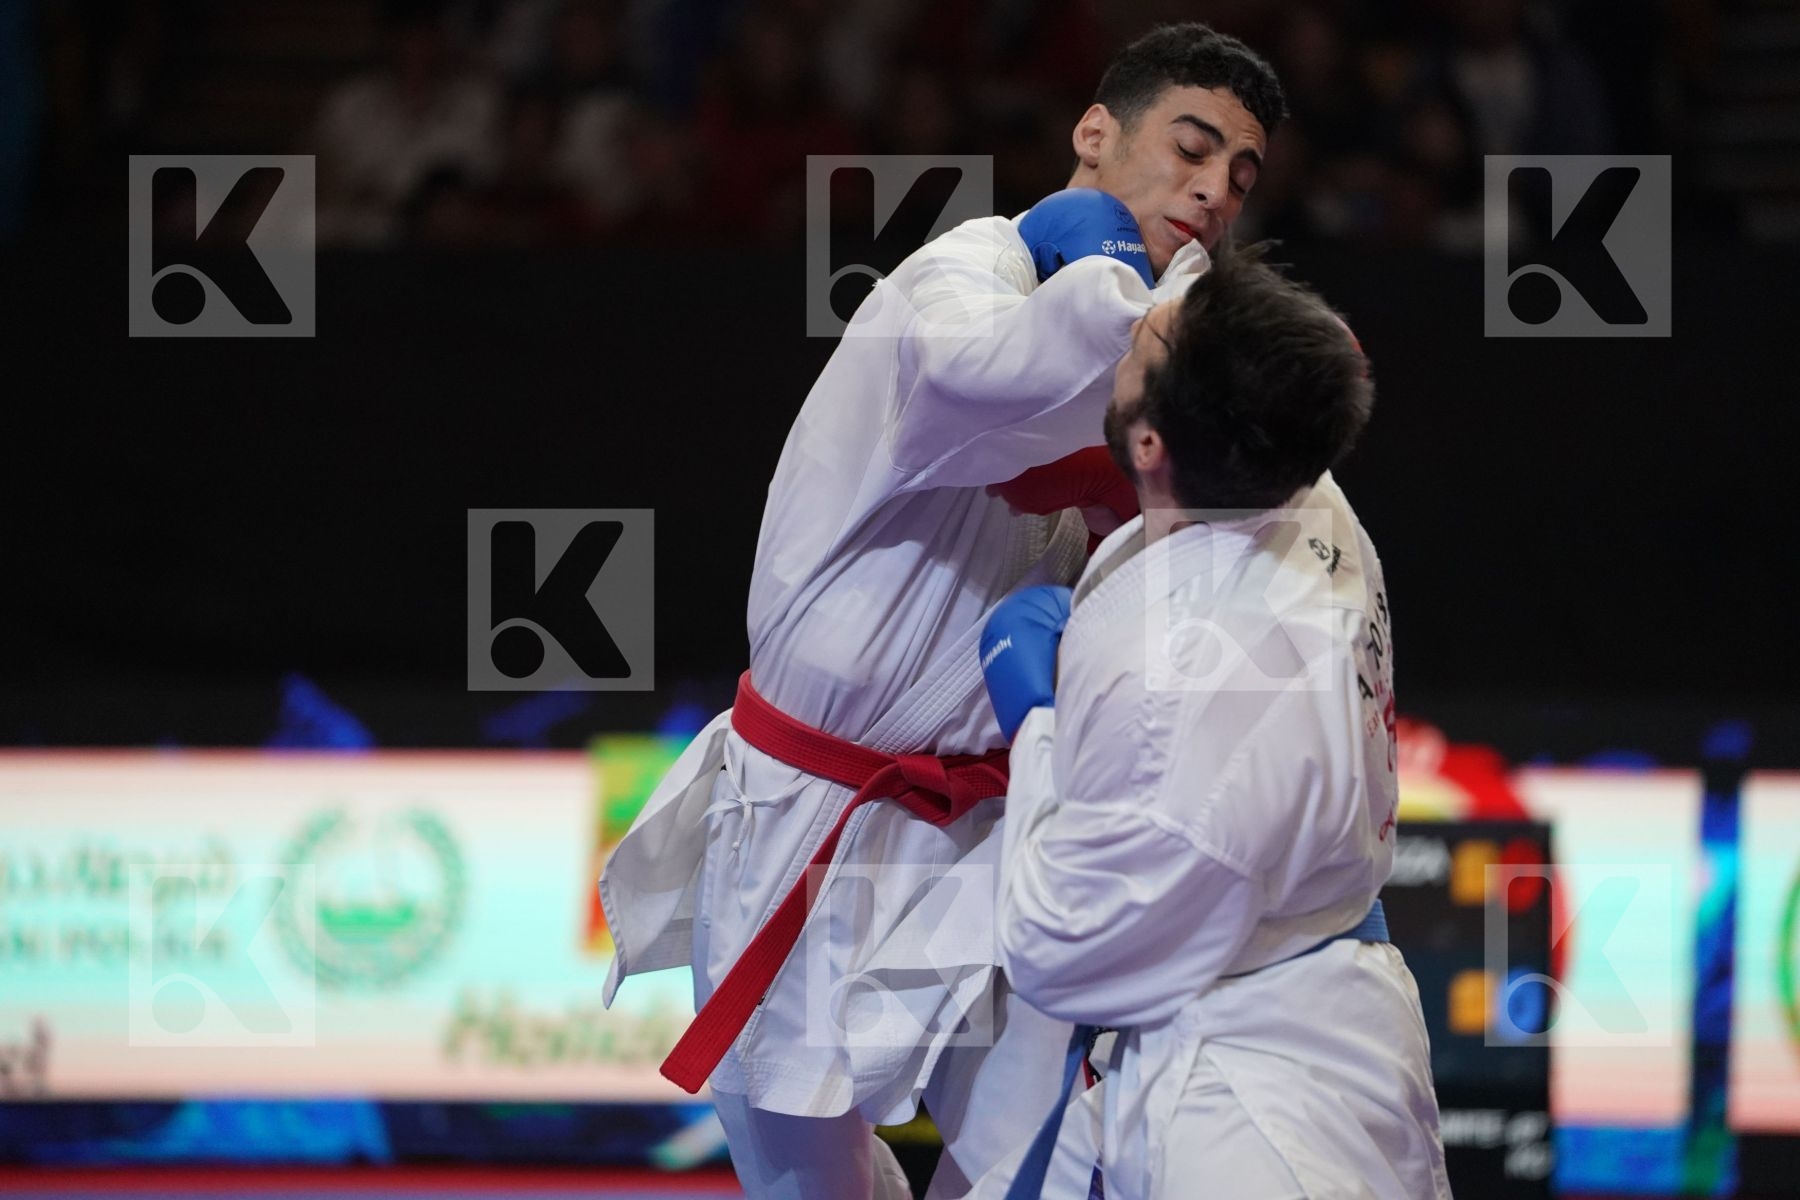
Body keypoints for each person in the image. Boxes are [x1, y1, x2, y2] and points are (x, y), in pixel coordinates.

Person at [600, 23, 1287, 1200]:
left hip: (993, 831)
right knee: (809, 1181)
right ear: (1093, 133)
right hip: (813, 815)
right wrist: (1126, 283)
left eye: (1242, 177)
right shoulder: (958, 278)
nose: (1216, 188)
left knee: (1049, 1172)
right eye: (1192, 146)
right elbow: (1005, 383)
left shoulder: (1165, 350)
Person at [971, 247, 1452, 1199]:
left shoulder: (1186, 713)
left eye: (1143, 340)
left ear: (1151, 443)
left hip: (1256, 1104)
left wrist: (1040, 726)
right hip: (1282, 988)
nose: (1132, 323)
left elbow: (1053, 946)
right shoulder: (1301, 482)